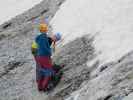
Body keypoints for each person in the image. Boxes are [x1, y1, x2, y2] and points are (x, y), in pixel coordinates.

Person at [31, 23, 62, 91]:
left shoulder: (47, 38)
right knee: (43, 67)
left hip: (36, 51)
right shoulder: (48, 39)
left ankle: (41, 83)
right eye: (56, 38)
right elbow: (44, 49)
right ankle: (43, 84)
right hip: (37, 52)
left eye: (57, 39)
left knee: (41, 67)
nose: (56, 39)